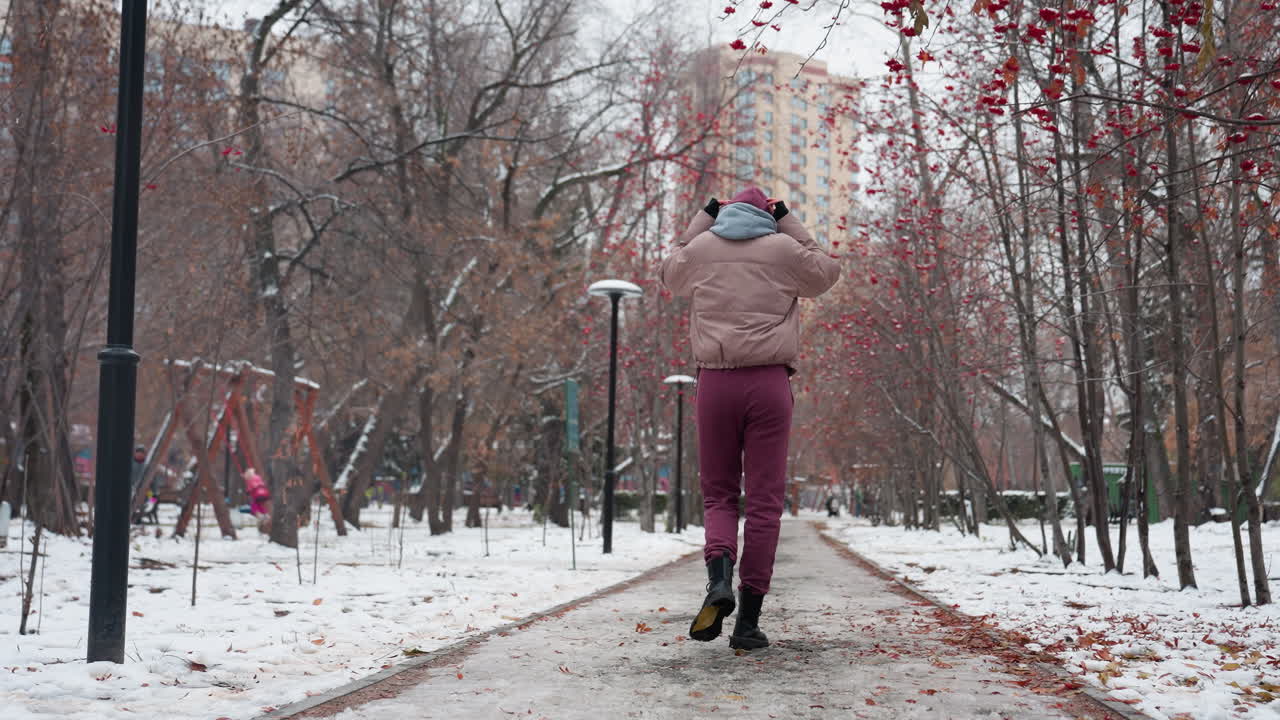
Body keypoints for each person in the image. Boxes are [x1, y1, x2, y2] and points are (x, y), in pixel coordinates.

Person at [660, 186, 840, 650]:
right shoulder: (783, 249)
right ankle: (747, 622)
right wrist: (789, 220)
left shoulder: (701, 249)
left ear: (724, 213)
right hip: (768, 385)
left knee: (719, 495)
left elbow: (670, 270)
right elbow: (825, 272)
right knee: (763, 504)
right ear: (768, 215)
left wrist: (703, 218)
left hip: (715, 383)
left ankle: (718, 578)